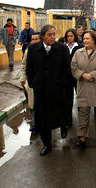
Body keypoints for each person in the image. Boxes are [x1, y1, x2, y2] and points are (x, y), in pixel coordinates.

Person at [26, 25, 70, 156]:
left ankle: (64, 125)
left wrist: (62, 85)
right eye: (49, 35)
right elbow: (29, 69)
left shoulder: (62, 49)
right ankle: (47, 144)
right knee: (43, 119)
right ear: (43, 36)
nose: (52, 37)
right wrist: (33, 83)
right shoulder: (33, 49)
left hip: (57, 89)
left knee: (59, 112)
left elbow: (66, 69)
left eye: (53, 34)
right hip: (41, 91)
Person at [71, 30, 96, 147]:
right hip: (84, 85)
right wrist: (82, 75)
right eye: (84, 38)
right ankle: (82, 137)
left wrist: (92, 75)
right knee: (83, 111)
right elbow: (74, 67)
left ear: (94, 39)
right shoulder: (78, 52)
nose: (85, 41)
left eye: (88, 38)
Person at [20, 32, 40, 134]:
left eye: (36, 39)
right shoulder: (28, 51)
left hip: (44, 84)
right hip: (32, 83)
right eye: (32, 39)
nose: (33, 41)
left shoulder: (46, 51)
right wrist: (22, 79)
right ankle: (36, 124)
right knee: (32, 105)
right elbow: (24, 66)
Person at [64, 28, 83, 127]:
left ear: (75, 36)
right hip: (67, 78)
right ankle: (68, 120)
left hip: (78, 77)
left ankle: (82, 120)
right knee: (68, 99)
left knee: (80, 98)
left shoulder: (80, 47)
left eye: (71, 36)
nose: (69, 38)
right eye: (67, 36)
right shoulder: (63, 47)